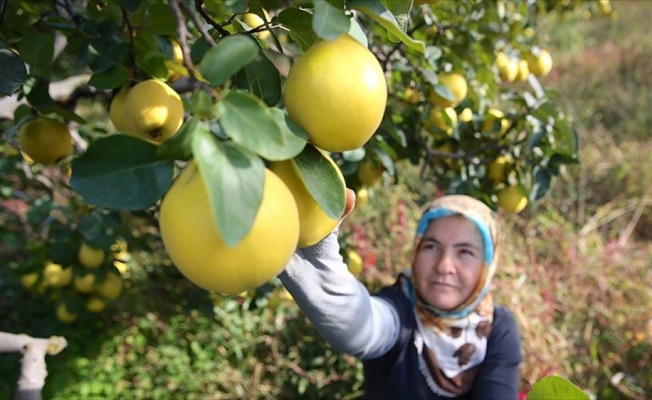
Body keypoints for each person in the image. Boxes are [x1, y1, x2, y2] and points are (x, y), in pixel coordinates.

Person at [279, 192, 522, 399]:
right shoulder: (400, 306)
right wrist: (316, 263)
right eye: (431, 246)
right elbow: (362, 325)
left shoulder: (498, 327)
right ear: (415, 252)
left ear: (487, 265)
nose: (444, 265)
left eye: (465, 252)